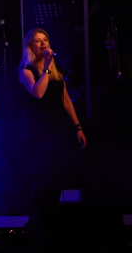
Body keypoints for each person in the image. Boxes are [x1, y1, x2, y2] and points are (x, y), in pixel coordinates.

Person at [18, 28, 86, 208]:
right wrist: (47, 67)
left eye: (45, 40)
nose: (42, 43)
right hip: (36, 130)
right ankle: (36, 221)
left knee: (58, 178)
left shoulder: (57, 71)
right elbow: (38, 93)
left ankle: (50, 220)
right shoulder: (26, 70)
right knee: (43, 177)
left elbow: (66, 100)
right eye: (37, 41)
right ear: (30, 46)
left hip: (57, 128)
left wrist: (78, 127)